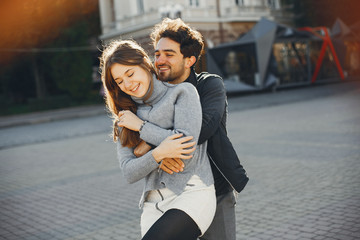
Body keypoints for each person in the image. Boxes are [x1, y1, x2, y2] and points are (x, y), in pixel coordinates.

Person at [134, 18, 249, 240]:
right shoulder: (155, 93)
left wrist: (147, 135)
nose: (160, 60)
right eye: (157, 54)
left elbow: (199, 130)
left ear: (189, 60)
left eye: (169, 54)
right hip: (168, 193)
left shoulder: (210, 85)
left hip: (214, 188)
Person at [99, 39, 216, 240]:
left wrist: (141, 127)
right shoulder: (124, 117)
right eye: (119, 81)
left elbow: (186, 146)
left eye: (130, 73)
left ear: (145, 64)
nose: (128, 84)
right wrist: (160, 154)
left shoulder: (182, 93)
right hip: (153, 204)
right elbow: (129, 172)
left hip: (192, 192)